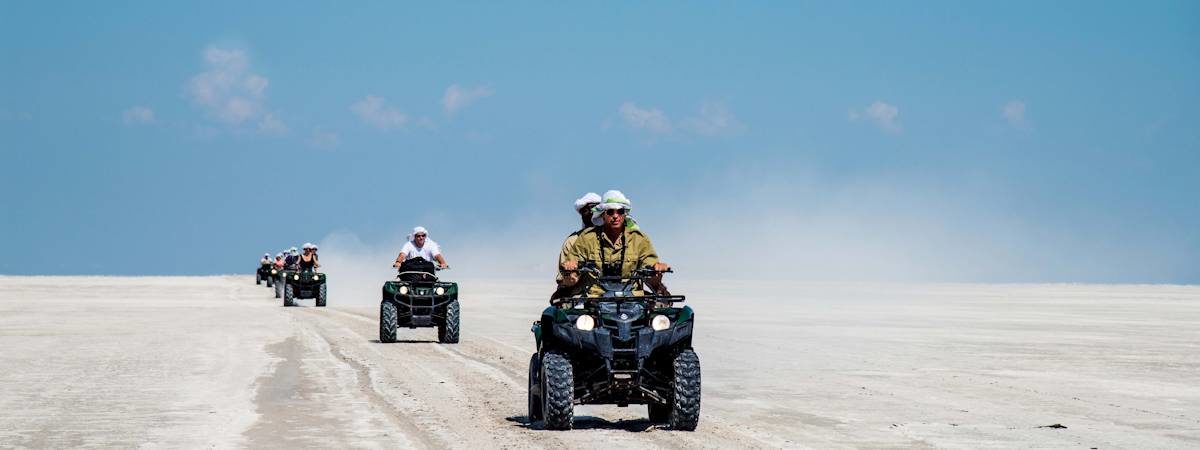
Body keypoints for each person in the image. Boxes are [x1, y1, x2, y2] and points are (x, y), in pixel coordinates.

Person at [560, 190, 670, 297]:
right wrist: (569, 271)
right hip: (594, 300)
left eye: (620, 211)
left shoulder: (639, 239)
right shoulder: (586, 238)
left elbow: (651, 276)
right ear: (602, 215)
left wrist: (657, 270)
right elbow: (570, 281)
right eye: (610, 211)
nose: (615, 216)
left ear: (624, 214)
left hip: (633, 300)